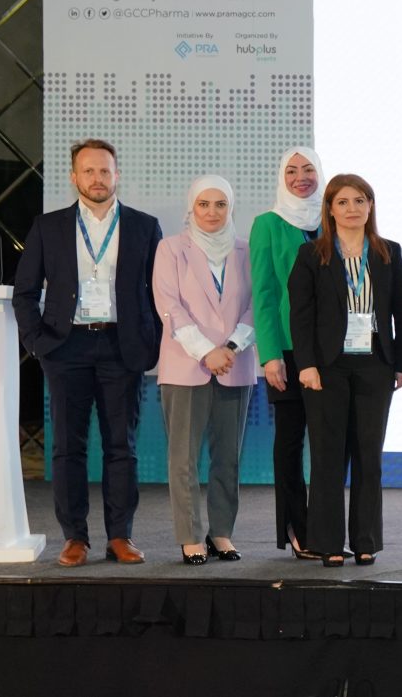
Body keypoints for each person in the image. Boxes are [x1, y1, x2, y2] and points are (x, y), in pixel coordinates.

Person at [13, 139, 163, 567]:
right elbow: (25, 292)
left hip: (122, 347)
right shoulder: (48, 227)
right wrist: (37, 343)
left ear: (117, 175)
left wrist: (151, 341)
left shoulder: (144, 226)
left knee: (122, 446)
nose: (98, 179)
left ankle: (120, 536)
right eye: (89, 171)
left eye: (105, 171)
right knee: (67, 447)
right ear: (74, 177)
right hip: (66, 346)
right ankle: (74, 538)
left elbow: (160, 292)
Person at [288, 174, 402, 567]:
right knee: (327, 457)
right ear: (330, 209)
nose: (352, 209)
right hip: (327, 367)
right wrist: (306, 365)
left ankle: (365, 540)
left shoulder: (388, 252)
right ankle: (327, 543)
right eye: (343, 202)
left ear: (370, 206)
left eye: (360, 200)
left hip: (375, 364)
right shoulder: (312, 254)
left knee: (368, 457)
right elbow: (300, 316)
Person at [151, 175, 256, 565]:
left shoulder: (246, 250)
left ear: (231, 208)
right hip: (186, 365)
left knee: (228, 456)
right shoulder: (171, 249)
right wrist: (206, 351)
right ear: (191, 207)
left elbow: (257, 305)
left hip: (234, 363)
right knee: (184, 458)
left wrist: (230, 347)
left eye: (220, 204)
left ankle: (221, 532)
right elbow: (169, 305)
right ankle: (190, 535)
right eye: (204, 204)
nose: (212, 212)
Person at [252, 147, 328, 560]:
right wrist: (269, 355)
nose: (301, 177)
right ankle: (299, 529)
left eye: (309, 169)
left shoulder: (332, 220)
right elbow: (263, 294)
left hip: (331, 350)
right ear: (281, 177)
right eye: (292, 171)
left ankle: (327, 527)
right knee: (291, 442)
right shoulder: (267, 224)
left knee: (329, 443)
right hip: (286, 349)